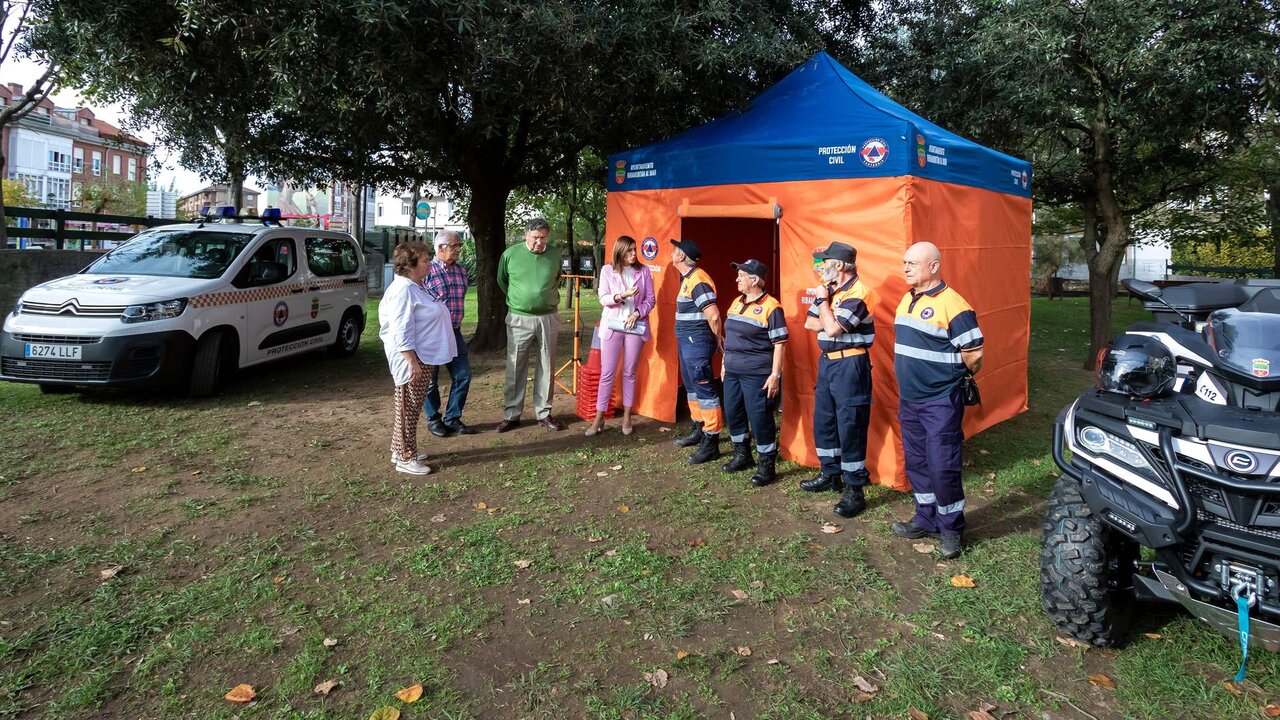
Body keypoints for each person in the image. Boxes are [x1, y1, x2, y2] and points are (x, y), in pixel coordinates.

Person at [890, 241, 984, 559]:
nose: (905, 267)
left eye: (912, 263)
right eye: (904, 262)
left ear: (933, 266)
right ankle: (925, 518)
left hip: (940, 401)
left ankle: (951, 529)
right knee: (917, 461)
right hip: (910, 400)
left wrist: (954, 379)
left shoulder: (953, 304)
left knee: (943, 466)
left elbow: (974, 353)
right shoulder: (907, 298)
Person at [802, 241, 878, 518]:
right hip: (828, 365)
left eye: (825, 262)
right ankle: (830, 474)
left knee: (851, 425)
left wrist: (823, 304)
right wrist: (826, 308)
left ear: (841, 265)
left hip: (851, 365)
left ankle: (854, 488)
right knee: (825, 421)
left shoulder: (860, 292)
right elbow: (810, 324)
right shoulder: (831, 291)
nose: (821, 267)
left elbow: (832, 328)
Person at [378, 242, 458, 475]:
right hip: (412, 358)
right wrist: (411, 360)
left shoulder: (416, 285)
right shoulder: (403, 290)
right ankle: (406, 456)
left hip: (423, 355)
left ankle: (399, 448)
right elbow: (401, 328)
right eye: (425, 260)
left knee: (409, 406)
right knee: (408, 408)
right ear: (410, 265)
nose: (430, 263)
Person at [720, 259, 788, 485]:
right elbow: (729, 338)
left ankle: (767, 464)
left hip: (757, 374)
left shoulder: (772, 307)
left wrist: (775, 375)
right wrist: (723, 364)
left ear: (755, 280)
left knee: (759, 418)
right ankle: (742, 455)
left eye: (741, 275)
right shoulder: (736, 302)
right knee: (733, 412)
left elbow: (780, 343)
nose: (737, 279)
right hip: (732, 371)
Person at [496, 218, 566, 432]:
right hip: (519, 318)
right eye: (535, 237)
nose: (539, 242)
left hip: (548, 317)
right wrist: (520, 300)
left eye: (543, 237)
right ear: (526, 235)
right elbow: (502, 280)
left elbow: (557, 278)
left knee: (547, 364)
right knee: (516, 365)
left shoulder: (555, 254)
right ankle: (511, 414)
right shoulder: (510, 254)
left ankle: (544, 413)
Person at [586, 235, 655, 437]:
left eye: (635, 250)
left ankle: (627, 416)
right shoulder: (608, 270)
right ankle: (599, 418)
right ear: (620, 251)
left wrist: (637, 313)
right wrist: (621, 296)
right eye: (629, 250)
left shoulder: (644, 271)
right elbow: (603, 298)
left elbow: (651, 299)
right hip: (613, 326)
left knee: (629, 372)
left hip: (635, 327)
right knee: (607, 373)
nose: (634, 254)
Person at [669, 238, 724, 464]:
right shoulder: (689, 279)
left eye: (674, 250)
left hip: (697, 342)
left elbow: (713, 314)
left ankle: (711, 441)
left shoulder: (698, 280)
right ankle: (699, 428)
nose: (671, 253)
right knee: (692, 387)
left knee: (704, 389)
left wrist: (718, 337)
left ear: (681, 256)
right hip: (688, 342)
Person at [422, 231, 476, 437]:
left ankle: (453, 418)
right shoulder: (426, 271)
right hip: (431, 334)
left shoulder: (461, 271)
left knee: (463, 375)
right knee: (430, 381)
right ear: (440, 248)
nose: (458, 249)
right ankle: (433, 419)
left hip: (454, 332)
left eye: (458, 246)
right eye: (454, 246)